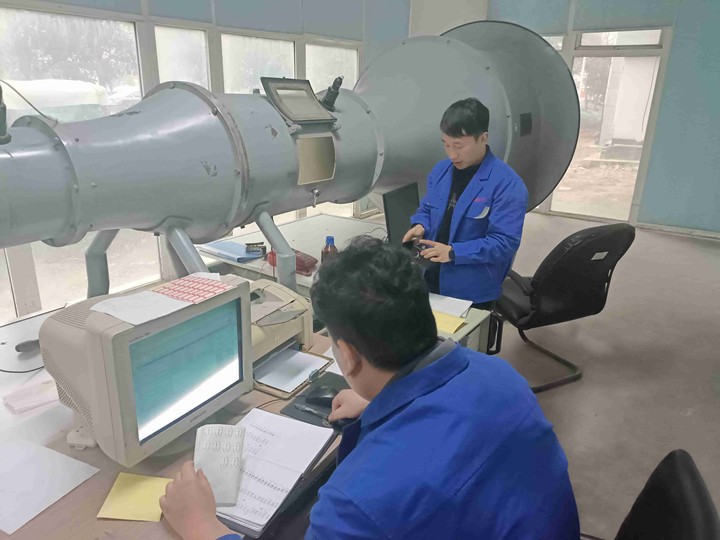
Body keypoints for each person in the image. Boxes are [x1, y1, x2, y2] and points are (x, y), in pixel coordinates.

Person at [160, 237, 579, 540]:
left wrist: (203, 527)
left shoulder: (356, 504)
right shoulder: (500, 376)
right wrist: (382, 400)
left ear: (347, 355)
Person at [403, 97, 529, 309]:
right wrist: (420, 224)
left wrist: (453, 253)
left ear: (483, 138)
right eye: (446, 144)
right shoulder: (441, 171)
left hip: (471, 289)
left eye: (459, 146)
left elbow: (504, 242)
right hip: (428, 277)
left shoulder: (507, 184)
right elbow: (426, 208)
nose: (452, 154)